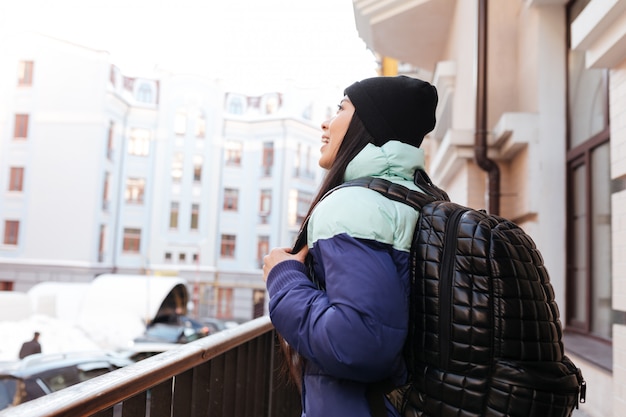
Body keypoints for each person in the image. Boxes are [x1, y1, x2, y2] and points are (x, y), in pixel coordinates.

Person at [262, 75, 438, 417]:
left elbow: (359, 344)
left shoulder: (354, 205)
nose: (325, 123)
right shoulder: (416, 198)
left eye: (341, 109)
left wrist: (284, 277)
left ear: (369, 125)